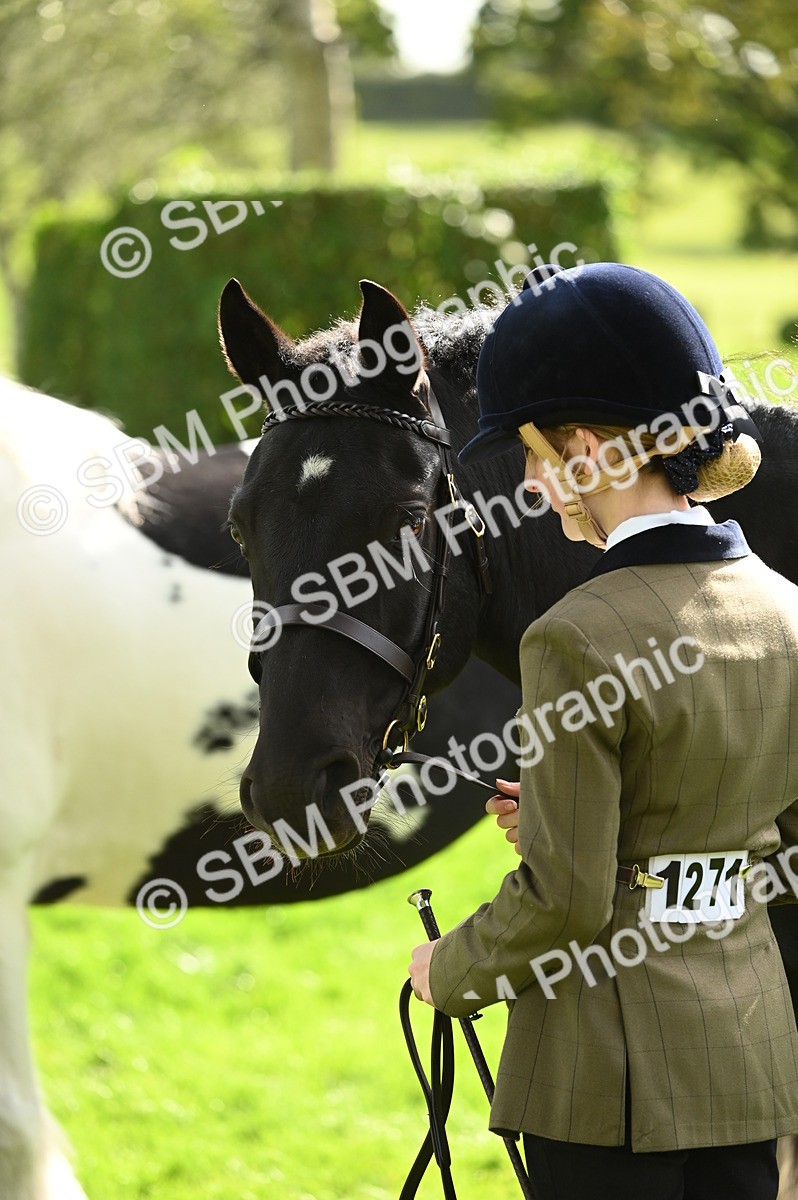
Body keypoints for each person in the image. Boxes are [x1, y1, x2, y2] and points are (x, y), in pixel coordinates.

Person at [408, 262, 798, 1199]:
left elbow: (567, 903)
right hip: (749, 1066)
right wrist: (582, 824)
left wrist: (447, 968)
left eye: (534, 457)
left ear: (587, 452)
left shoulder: (573, 637)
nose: (531, 486)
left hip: (608, 1082)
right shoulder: (786, 610)